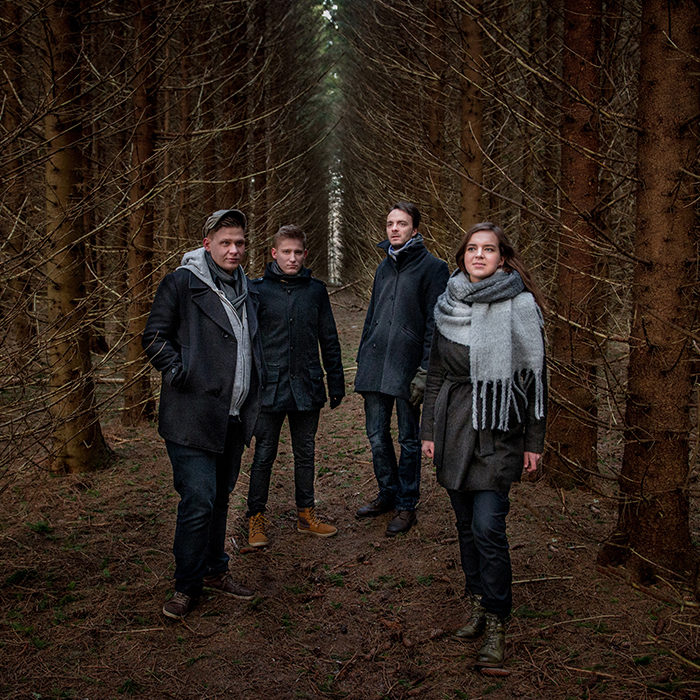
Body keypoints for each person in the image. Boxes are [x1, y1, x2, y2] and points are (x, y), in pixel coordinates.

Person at [420, 222, 547, 669]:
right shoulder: (447, 304)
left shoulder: (521, 306)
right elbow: (435, 374)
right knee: (464, 525)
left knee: (488, 528)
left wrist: (534, 441)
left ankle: (497, 619)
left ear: (502, 258)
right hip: (453, 427)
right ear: (462, 257)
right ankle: (477, 602)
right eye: (472, 248)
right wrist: (428, 432)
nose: (478, 255)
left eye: (488, 249)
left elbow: (533, 379)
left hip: (499, 429)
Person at [142, 208, 263, 621]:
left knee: (220, 498)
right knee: (198, 498)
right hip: (191, 414)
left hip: (232, 416)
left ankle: (214, 570)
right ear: (207, 244)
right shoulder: (182, 282)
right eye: (225, 243)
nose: (234, 250)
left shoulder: (248, 289)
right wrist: (181, 372)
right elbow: (153, 336)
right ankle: (186, 584)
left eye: (240, 243)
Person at [246, 224, 345, 546]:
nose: (292, 258)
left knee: (305, 453)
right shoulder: (256, 290)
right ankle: (255, 518)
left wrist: (336, 380)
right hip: (269, 388)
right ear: (274, 253)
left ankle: (306, 514)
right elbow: (248, 342)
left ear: (305, 254)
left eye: (297, 252)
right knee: (264, 454)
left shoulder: (315, 291)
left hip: (307, 386)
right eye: (286, 252)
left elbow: (329, 338)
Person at [354, 202, 449, 536]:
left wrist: (425, 370)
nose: (394, 229)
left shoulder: (434, 268)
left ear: (415, 229)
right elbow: (372, 314)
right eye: (390, 223)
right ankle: (388, 492)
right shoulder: (383, 267)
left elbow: (434, 325)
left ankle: (407, 504)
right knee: (376, 435)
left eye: (402, 223)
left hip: (408, 368)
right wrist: (363, 355)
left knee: (409, 439)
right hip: (375, 364)